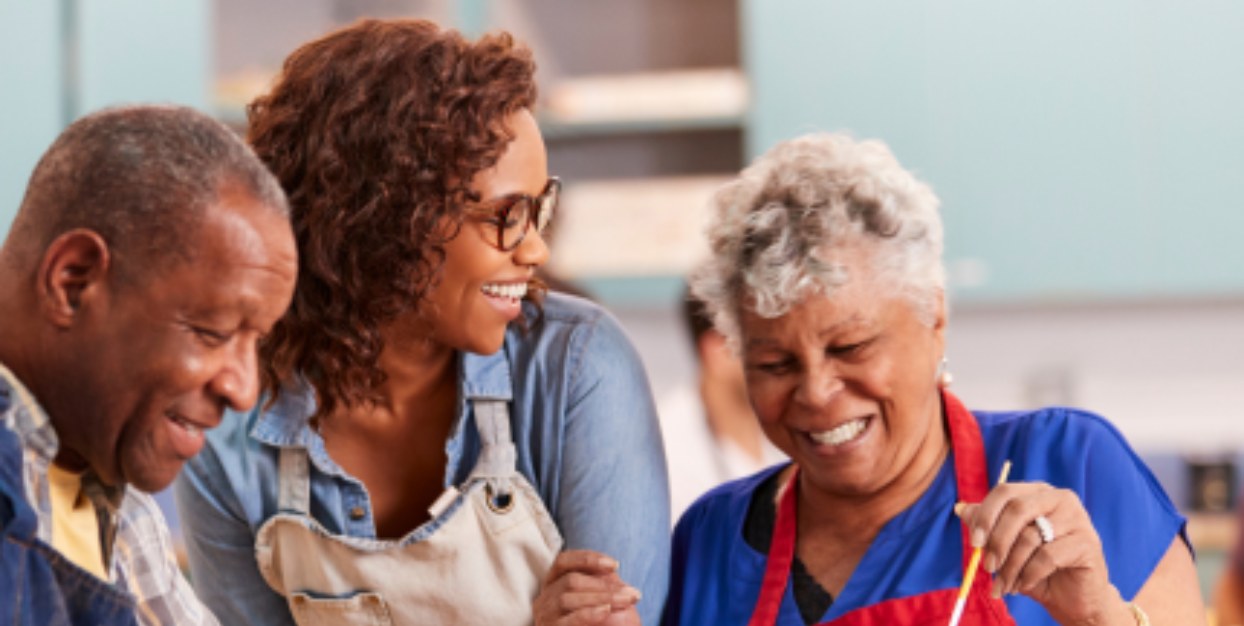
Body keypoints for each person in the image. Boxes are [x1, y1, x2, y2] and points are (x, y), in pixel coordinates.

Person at [174, 19, 669, 626]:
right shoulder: (228, 428)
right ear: (386, 216)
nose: (536, 250)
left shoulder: (579, 371)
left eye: (540, 208)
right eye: (507, 214)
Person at [663, 133, 1207, 625]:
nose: (816, 393)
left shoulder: (1073, 463)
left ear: (933, 317)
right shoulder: (711, 540)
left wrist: (1100, 617)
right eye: (775, 365)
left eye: (850, 347)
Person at [0, 105, 297, 625]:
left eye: (257, 343)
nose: (244, 390)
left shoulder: (111, 495)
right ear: (73, 283)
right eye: (214, 333)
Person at [658, 286, 784, 521]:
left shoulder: (786, 425)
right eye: (766, 341)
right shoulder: (663, 457)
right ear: (718, 351)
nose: (782, 358)